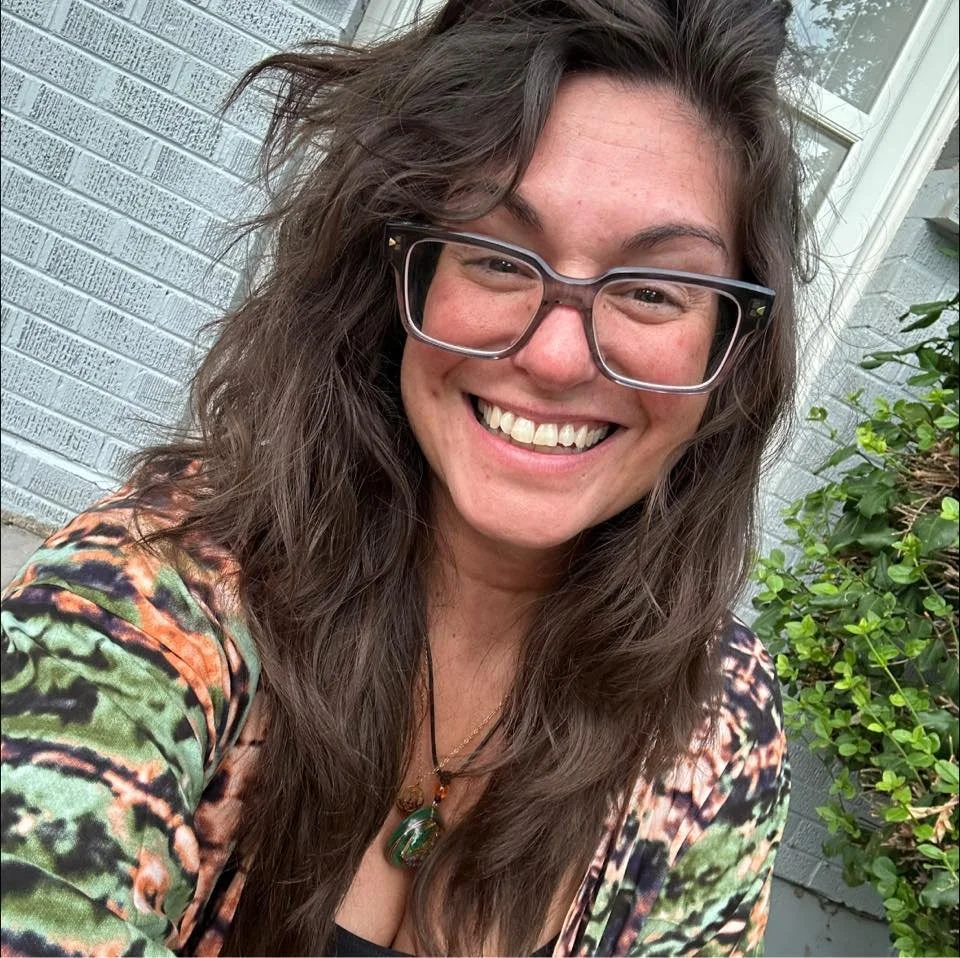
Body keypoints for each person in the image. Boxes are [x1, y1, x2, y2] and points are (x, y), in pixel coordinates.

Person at [1, 0, 809, 954]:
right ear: (398, 278)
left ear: (730, 349)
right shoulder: (155, 594)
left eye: (649, 289)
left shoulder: (713, 728)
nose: (555, 358)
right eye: (500, 257)